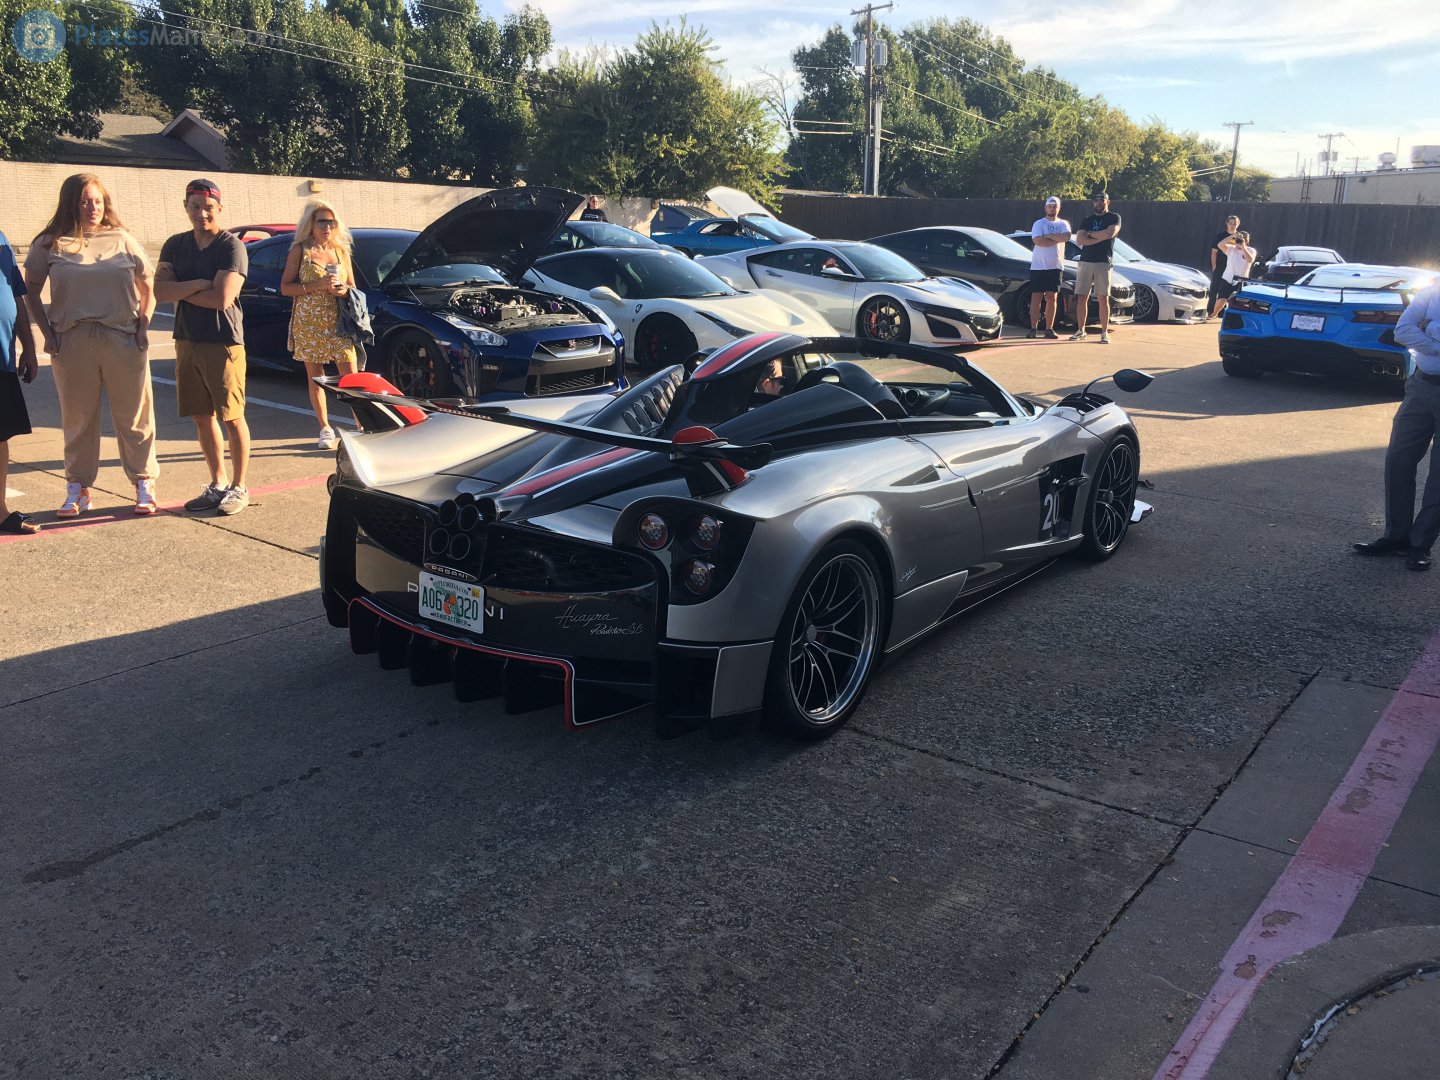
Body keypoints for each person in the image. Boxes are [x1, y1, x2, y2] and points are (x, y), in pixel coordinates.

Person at [22, 173, 160, 517]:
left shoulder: (122, 239)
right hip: (73, 339)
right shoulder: (50, 243)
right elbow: (31, 292)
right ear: (71, 202)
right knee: (78, 418)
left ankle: (143, 482)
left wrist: (143, 326)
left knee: (135, 416)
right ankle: (78, 488)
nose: (92, 207)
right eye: (85, 201)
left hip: (121, 337)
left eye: (97, 200)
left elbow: (148, 288)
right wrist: (48, 335)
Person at [154, 178, 251, 516]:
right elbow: (160, 292)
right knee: (201, 416)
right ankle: (218, 482)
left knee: (232, 417)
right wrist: (197, 284)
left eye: (208, 207)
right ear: (186, 207)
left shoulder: (230, 247)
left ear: (219, 208)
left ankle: (239, 486)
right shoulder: (174, 245)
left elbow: (223, 298)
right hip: (186, 339)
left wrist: (180, 289)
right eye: (195, 206)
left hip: (223, 341)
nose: (202, 213)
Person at [1354, 285, 1440, 571]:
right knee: (1398, 460)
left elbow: (1414, 333)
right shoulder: (1432, 292)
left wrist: (1428, 330)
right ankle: (1396, 537)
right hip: (1422, 384)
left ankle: (1420, 545)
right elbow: (1402, 331)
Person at [281, 201, 357, 450]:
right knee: (317, 378)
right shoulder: (300, 250)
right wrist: (317, 285)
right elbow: (285, 287)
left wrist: (342, 290)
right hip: (310, 322)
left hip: (338, 322)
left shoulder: (340, 252)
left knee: (352, 378)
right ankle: (325, 428)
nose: (327, 227)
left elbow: (354, 289)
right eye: (322, 221)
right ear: (310, 225)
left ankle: (360, 426)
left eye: (331, 222)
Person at [1, 226, 40, 534]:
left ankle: (0, 511)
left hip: (2, 356)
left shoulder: (0, 239)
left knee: (1, 437)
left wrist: (28, 345)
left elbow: (17, 293)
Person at [1071, 189, 1122, 344]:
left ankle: (1104, 332)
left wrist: (1091, 234)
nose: (1099, 203)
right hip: (1086, 261)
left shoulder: (1114, 217)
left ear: (1108, 202)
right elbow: (1080, 239)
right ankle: (1081, 330)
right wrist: (1099, 235)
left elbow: (1110, 233)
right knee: (1082, 297)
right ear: (1093, 203)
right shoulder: (1086, 220)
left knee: (1102, 298)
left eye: (1102, 200)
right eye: (1096, 200)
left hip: (1103, 262)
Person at [1027, 195, 1070, 339]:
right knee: (1036, 297)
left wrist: (1049, 236)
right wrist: (1055, 238)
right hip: (1038, 266)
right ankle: (1033, 328)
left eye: (1055, 206)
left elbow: (1066, 237)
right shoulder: (1038, 223)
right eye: (1050, 206)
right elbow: (1038, 241)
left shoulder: (1063, 223)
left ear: (1059, 208)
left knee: (1052, 297)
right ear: (1045, 207)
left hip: (1056, 266)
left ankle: (1049, 328)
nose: (1052, 208)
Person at [1211, 230, 1257, 317]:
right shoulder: (1231, 249)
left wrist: (1243, 247)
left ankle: (1239, 316)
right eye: (1238, 239)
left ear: (1247, 241)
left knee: (1241, 300)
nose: (1240, 241)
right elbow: (1219, 245)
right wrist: (1232, 236)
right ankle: (1214, 314)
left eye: (1243, 240)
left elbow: (1250, 260)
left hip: (1242, 279)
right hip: (1228, 277)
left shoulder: (1251, 250)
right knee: (1222, 298)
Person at [1207, 215, 1241, 320]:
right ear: (1227, 224)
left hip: (1232, 269)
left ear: (1238, 224)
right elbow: (1214, 252)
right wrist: (1214, 266)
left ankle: (1221, 312)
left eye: (1234, 223)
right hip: (1220, 266)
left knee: (1225, 291)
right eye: (1230, 223)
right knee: (1214, 289)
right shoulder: (1220, 236)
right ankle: (1210, 311)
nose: (1232, 225)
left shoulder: (1240, 237)